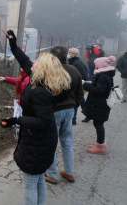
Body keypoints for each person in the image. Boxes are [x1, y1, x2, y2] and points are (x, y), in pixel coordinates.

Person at [0, 30, 71, 205]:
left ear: (43, 68)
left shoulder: (40, 91)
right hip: (39, 141)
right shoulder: (41, 80)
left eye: (37, 61)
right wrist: (13, 45)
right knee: (39, 180)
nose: (33, 62)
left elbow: (44, 121)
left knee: (30, 184)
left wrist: (16, 120)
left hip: (37, 143)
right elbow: (24, 60)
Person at [45, 46, 84, 185]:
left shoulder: (50, 71)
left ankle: (51, 175)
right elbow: (80, 91)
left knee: (51, 143)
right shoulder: (74, 70)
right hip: (69, 110)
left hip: (54, 111)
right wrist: (74, 105)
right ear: (66, 56)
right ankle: (69, 173)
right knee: (67, 142)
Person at [82, 56, 116, 155]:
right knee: (98, 124)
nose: (95, 65)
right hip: (100, 104)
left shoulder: (103, 76)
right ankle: (99, 144)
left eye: (96, 64)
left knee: (98, 124)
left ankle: (100, 147)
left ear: (101, 65)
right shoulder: (105, 75)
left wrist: (85, 85)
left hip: (100, 104)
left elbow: (98, 91)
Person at [68, 47, 88, 124]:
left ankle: (73, 119)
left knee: (75, 100)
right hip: (76, 85)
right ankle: (88, 113)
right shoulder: (73, 62)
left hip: (76, 85)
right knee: (81, 99)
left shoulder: (78, 63)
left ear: (74, 55)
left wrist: (76, 83)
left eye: (69, 52)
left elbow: (83, 75)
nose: (68, 53)